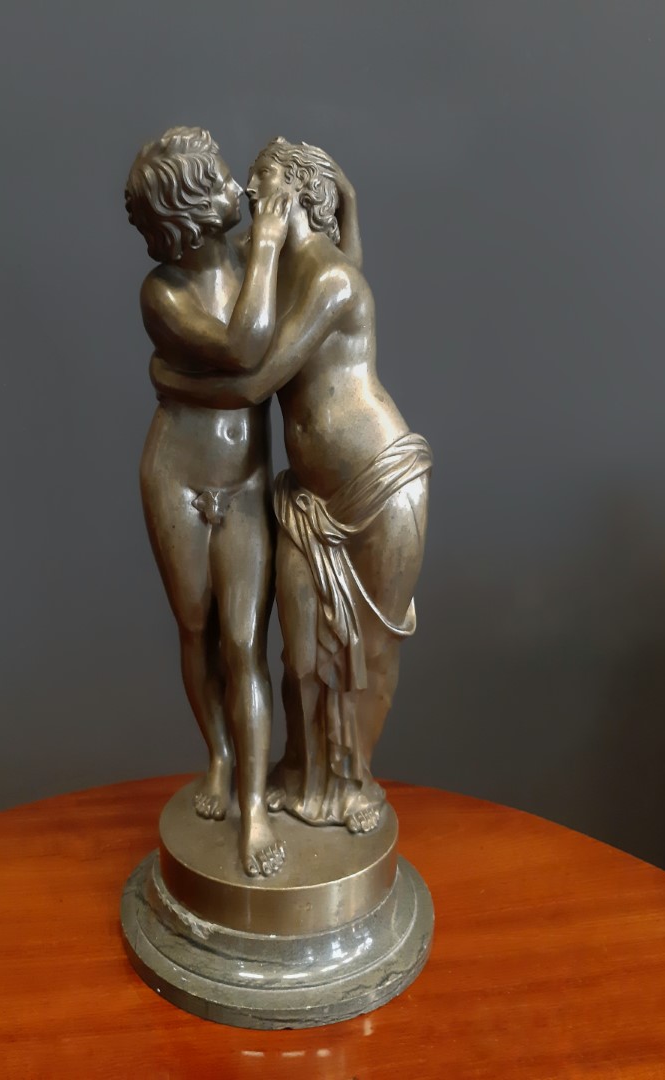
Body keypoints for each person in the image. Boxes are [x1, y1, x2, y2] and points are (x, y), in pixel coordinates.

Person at [150, 137, 432, 835]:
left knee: (365, 649)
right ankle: (306, 778)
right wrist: (347, 201)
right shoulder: (278, 266)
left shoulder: (322, 280)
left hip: (378, 481)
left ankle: (353, 785)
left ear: (299, 192)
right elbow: (336, 263)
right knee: (303, 653)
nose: (251, 192)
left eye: (264, 178)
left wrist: (167, 379)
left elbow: (253, 381)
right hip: (309, 494)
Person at [125, 126, 290, 876]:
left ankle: (254, 811)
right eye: (219, 182)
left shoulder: (260, 258)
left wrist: (176, 380)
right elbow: (243, 348)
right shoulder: (163, 293)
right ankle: (219, 756)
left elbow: (252, 368)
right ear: (187, 213)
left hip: (243, 480)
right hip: (176, 475)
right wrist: (267, 246)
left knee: (244, 645)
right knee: (196, 630)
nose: (236, 190)